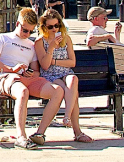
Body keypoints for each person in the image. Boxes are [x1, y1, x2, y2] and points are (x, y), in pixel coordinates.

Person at [0, 8, 68, 149]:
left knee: (58, 91)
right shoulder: (2, 38)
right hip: (7, 76)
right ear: (17, 24)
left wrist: (30, 73)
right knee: (23, 92)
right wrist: (12, 69)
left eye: (31, 31)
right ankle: (21, 137)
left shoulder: (31, 45)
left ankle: (39, 133)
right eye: (25, 30)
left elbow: (36, 71)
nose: (27, 34)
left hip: (26, 78)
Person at [33, 9, 92, 143]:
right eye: (50, 27)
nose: (54, 29)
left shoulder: (66, 39)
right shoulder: (40, 42)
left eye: (57, 25)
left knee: (73, 80)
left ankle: (67, 116)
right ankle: (77, 132)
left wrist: (55, 61)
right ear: (44, 27)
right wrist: (51, 48)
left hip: (65, 73)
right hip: (50, 75)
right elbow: (45, 66)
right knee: (68, 91)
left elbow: (72, 62)